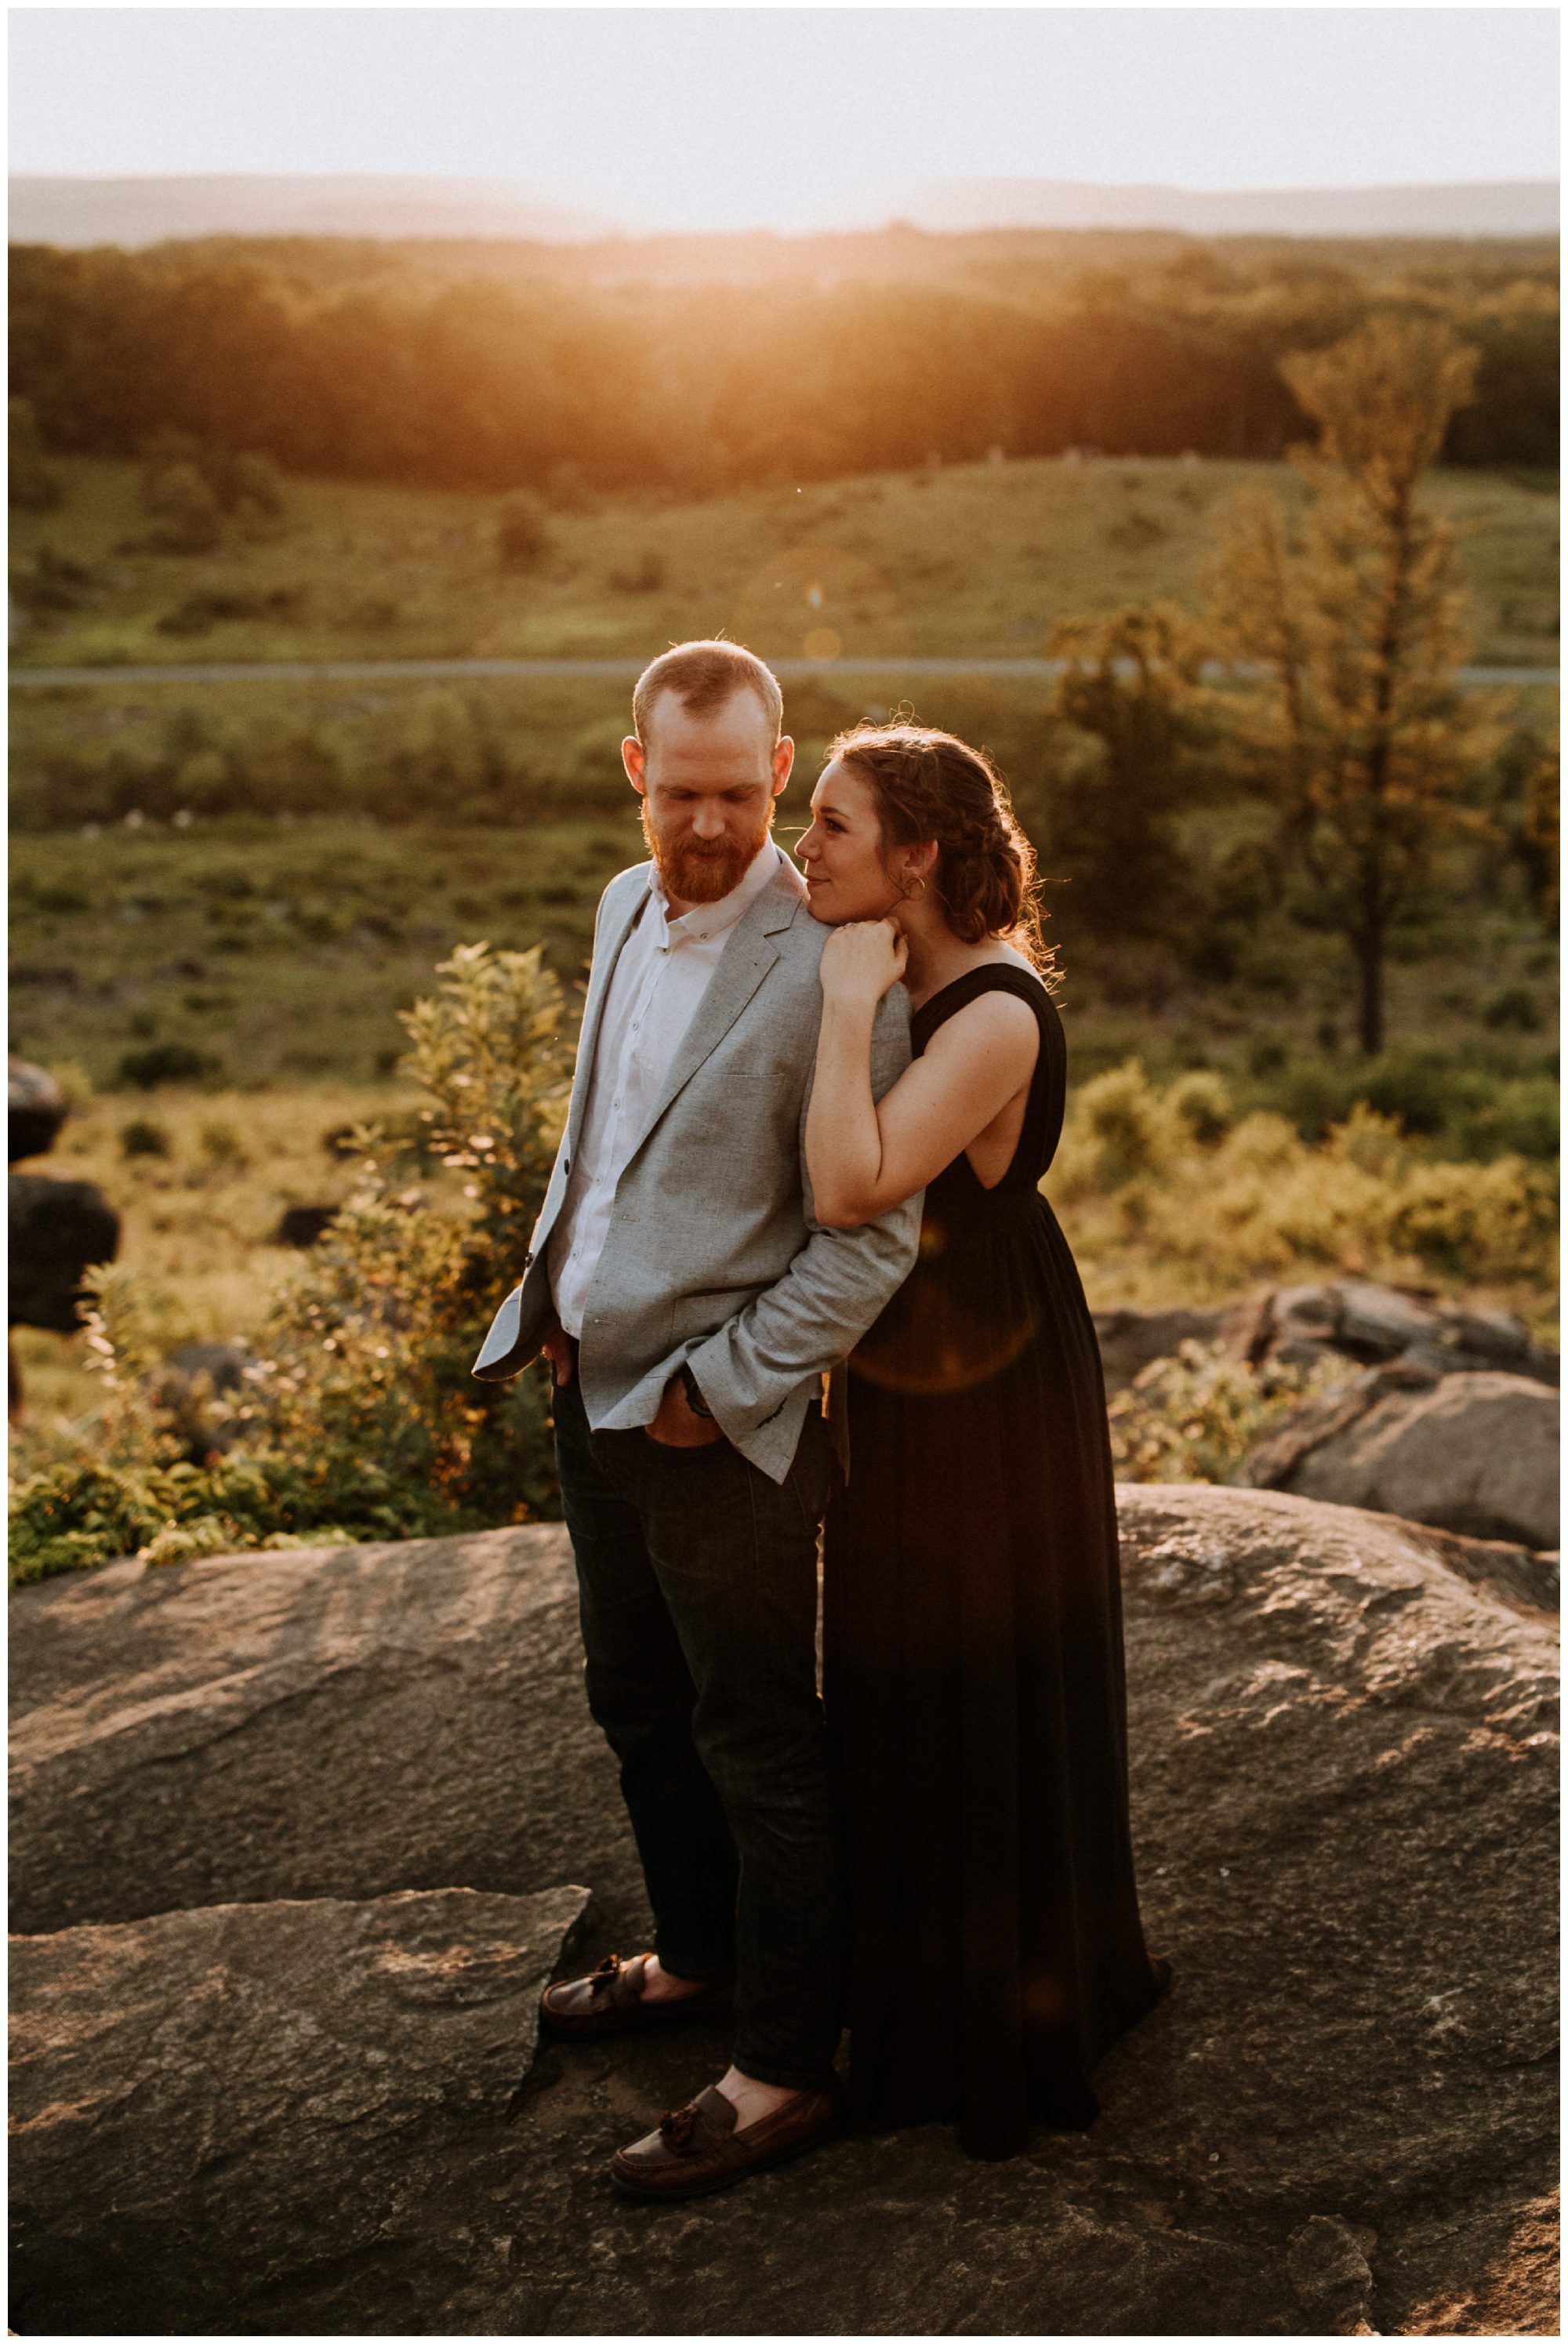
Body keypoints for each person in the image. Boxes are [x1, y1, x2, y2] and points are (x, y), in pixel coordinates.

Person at [471, 643, 921, 2202]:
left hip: (710, 1425)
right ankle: (702, 1958)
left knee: (754, 1739)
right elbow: (596, 1137)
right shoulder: (615, 901)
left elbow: (868, 1239)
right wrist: (547, 1304)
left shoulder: (832, 956)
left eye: (739, 793)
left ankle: (790, 2062)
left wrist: (713, 1391)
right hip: (581, 1378)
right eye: (682, 794)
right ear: (633, 773)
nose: (712, 825)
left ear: (782, 770)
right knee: (636, 1704)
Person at [797, 721, 1171, 2161]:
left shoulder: (995, 1012)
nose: (803, 846)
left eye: (831, 824)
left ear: (918, 855)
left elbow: (850, 1183)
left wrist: (842, 1002)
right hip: (913, 1363)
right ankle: (906, 1988)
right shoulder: (924, 971)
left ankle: (997, 2026)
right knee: (902, 1666)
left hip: (988, 1385)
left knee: (979, 1675)